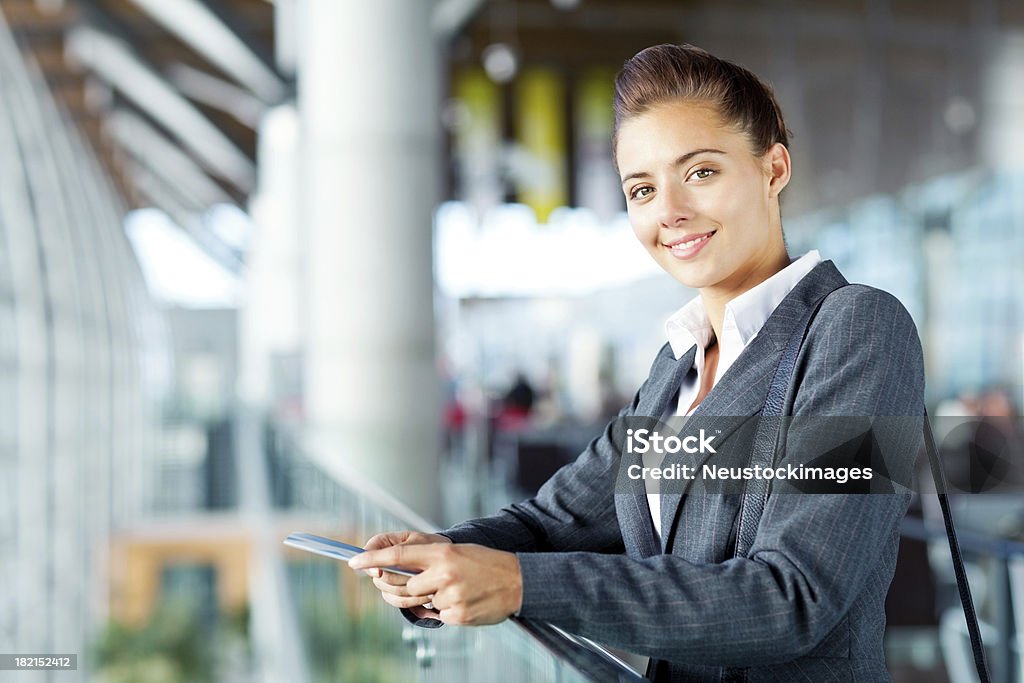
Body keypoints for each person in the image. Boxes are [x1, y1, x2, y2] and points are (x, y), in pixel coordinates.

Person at [349, 44, 924, 681]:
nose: (669, 211)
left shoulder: (858, 330)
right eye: (643, 189)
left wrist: (516, 585)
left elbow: (792, 598)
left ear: (774, 168)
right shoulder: (674, 369)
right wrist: (443, 556)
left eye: (701, 171)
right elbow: (552, 524)